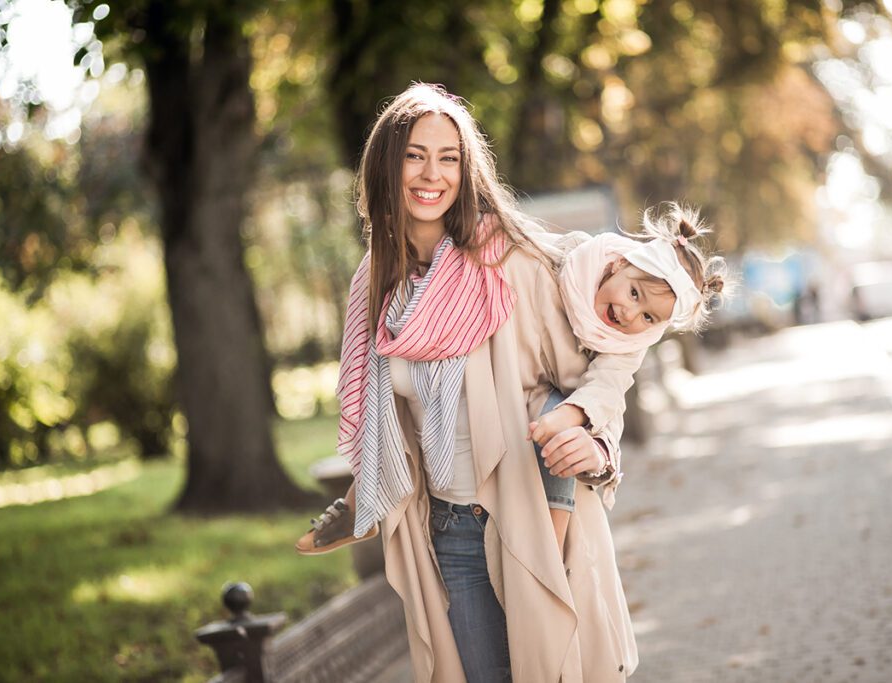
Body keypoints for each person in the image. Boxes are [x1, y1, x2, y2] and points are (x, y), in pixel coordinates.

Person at [299, 82, 639, 682]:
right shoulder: (375, 286)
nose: (432, 173)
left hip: (536, 514)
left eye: (448, 157)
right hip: (448, 530)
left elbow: (597, 372)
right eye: (414, 154)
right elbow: (385, 421)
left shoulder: (511, 262)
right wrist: (362, 497)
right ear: (386, 164)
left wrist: (598, 445)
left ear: (467, 167)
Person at [527, 203, 726, 555]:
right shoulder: (568, 258)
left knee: (561, 427)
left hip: (548, 428)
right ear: (619, 263)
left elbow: (608, 388)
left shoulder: (628, 345)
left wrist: (571, 416)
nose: (629, 314)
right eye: (634, 293)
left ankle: (549, 555)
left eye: (649, 317)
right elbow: (521, 245)